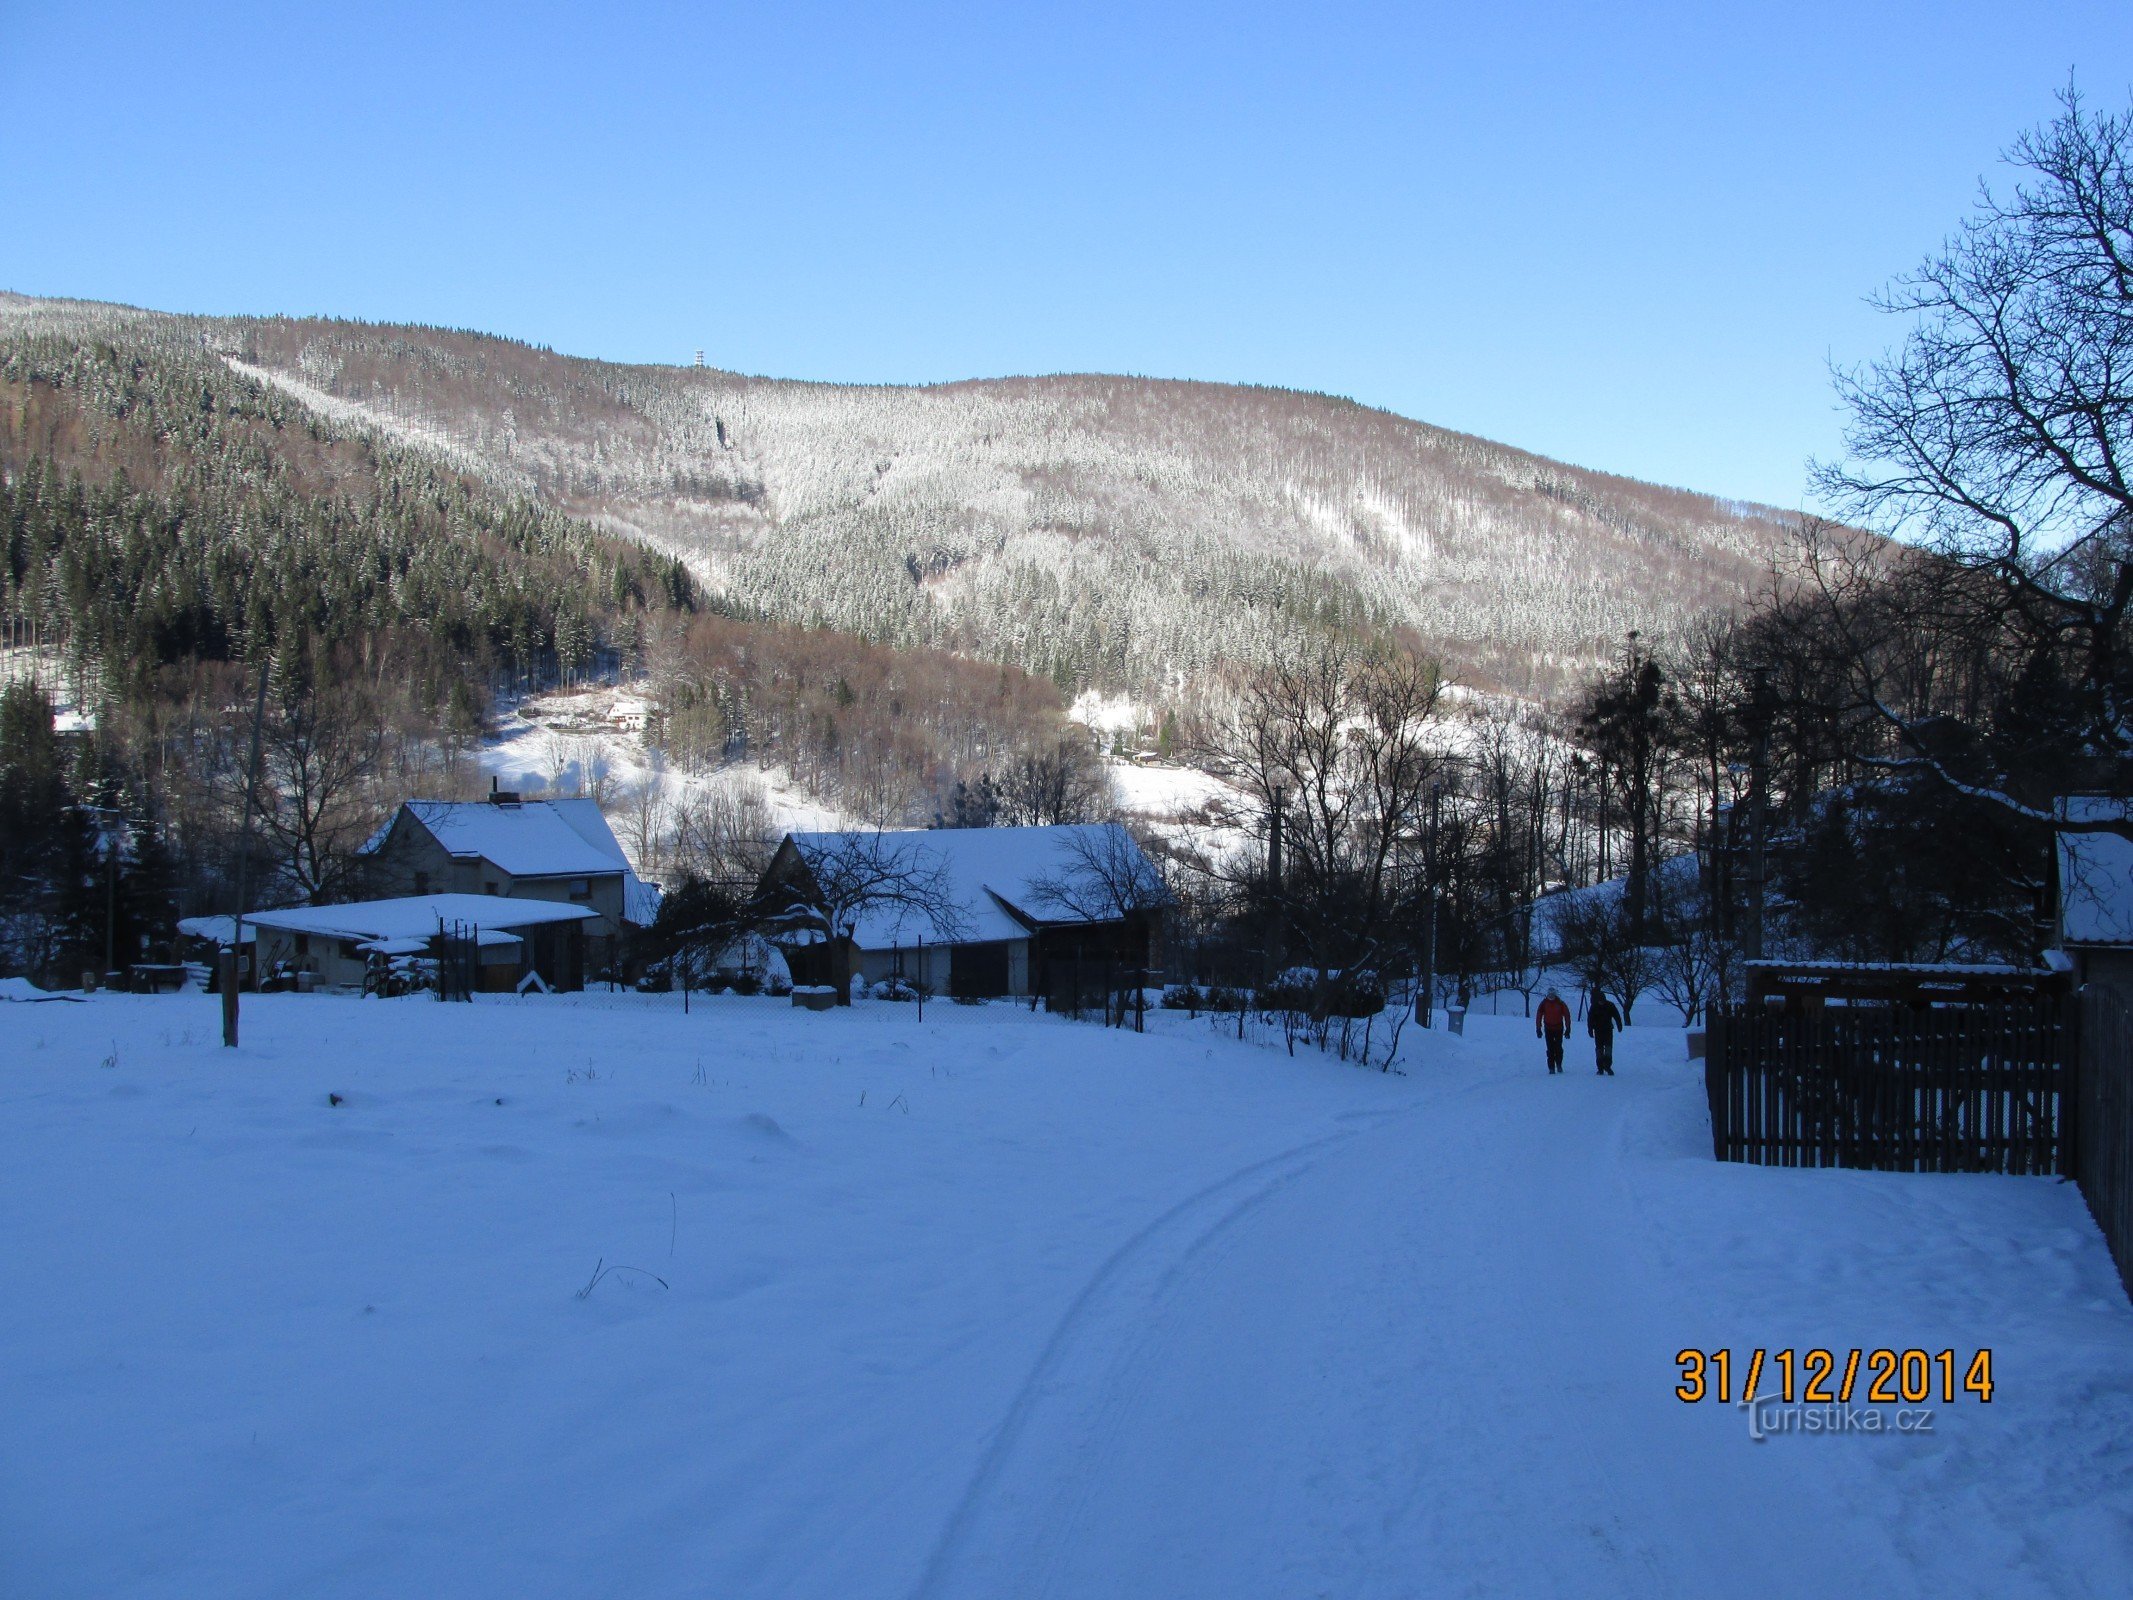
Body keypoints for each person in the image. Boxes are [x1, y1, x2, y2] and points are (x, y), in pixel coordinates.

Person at [1535, 989, 1572, 1074]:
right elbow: (1539, 1016)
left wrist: (1568, 1029)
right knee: (1550, 1048)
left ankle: (1559, 1064)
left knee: (1558, 1047)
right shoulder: (1543, 1004)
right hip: (1548, 1029)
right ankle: (1551, 1067)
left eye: (1552, 995)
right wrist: (1538, 1029)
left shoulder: (1560, 1003)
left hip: (1559, 1028)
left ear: (1555, 995)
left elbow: (1567, 1016)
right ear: (1547, 995)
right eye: (1549, 995)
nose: (1551, 996)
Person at [1588, 991, 1623, 1076]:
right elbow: (1590, 1019)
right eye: (1600, 1001)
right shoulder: (1594, 1007)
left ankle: (1607, 1066)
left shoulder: (1610, 1005)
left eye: (1602, 1001)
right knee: (1599, 1049)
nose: (1601, 1002)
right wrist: (1590, 1029)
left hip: (1608, 1030)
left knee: (1608, 1049)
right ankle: (1600, 1068)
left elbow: (1616, 1016)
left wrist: (1619, 1025)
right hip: (1598, 1030)